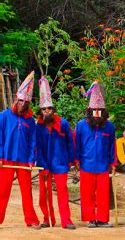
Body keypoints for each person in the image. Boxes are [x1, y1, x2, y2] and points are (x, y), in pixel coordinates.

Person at [0, 71, 41, 229]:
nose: (22, 104)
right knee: (2, 191)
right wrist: (0, 156)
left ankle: (31, 220)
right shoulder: (3, 116)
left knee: (26, 191)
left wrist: (31, 159)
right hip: (7, 159)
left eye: (25, 101)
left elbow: (33, 142)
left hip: (24, 160)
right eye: (20, 100)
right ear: (16, 99)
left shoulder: (30, 121)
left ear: (28, 103)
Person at [75, 81, 116, 228]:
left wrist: (113, 163)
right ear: (90, 110)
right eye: (94, 110)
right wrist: (76, 159)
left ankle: (103, 219)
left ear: (103, 111)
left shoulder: (109, 126)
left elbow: (112, 145)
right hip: (86, 164)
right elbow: (77, 144)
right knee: (87, 193)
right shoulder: (81, 125)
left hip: (103, 165)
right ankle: (90, 219)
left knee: (103, 193)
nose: (97, 112)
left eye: (100, 110)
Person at [36, 77, 75, 229]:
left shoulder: (63, 124)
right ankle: (47, 219)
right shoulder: (38, 126)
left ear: (54, 110)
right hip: (44, 164)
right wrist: (42, 166)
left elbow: (70, 143)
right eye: (44, 109)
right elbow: (37, 148)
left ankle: (66, 220)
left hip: (60, 163)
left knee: (62, 192)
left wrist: (71, 161)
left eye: (49, 109)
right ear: (41, 111)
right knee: (43, 194)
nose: (47, 111)